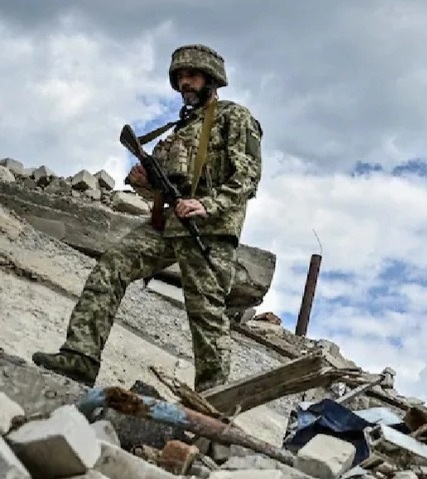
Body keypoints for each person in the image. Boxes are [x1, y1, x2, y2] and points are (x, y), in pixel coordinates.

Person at [33, 44, 263, 393]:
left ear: (212, 79)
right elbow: (165, 187)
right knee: (112, 267)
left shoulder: (235, 117)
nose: (186, 82)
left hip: (211, 231)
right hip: (170, 225)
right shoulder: (181, 130)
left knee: (207, 317)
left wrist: (208, 205)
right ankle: (80, 356)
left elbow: (248, 176)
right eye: (181, 77)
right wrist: (144, 183)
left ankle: (214, 404)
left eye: (193, 76)